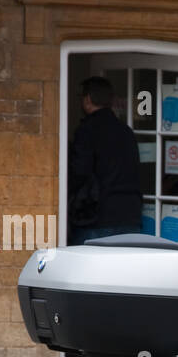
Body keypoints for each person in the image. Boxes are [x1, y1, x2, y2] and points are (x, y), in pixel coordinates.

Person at [67, 76, 142, 245]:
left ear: (87, 100)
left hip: (98, 218)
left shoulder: (87, 131)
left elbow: (79, 172)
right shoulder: (126, 132)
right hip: (130, 217)